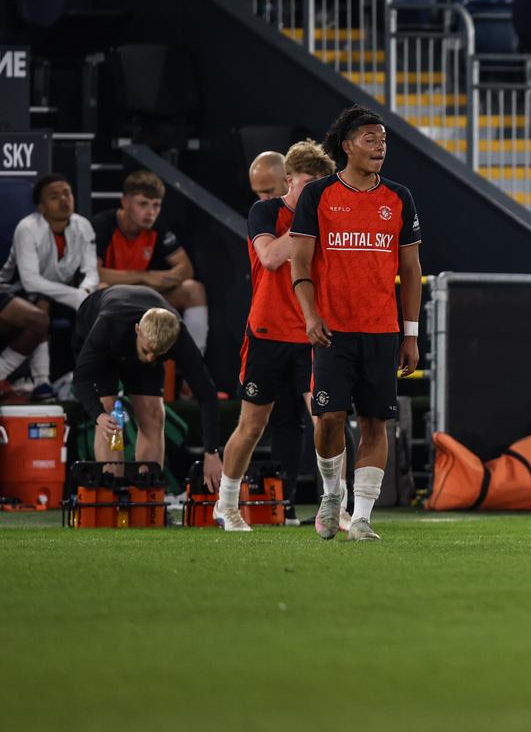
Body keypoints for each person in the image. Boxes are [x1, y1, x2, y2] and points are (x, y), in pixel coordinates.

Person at [290, 105, 423, 543]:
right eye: (370, 138)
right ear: (347, 146)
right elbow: (300, 262)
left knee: (375, 422)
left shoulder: (399, 198)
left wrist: (410, 335)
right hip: (333, 330)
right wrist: (310, 315)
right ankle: (333, 494)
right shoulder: (318, 196)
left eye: (383, 139)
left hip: (382, 331)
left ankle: (362, 517)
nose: (380, 146)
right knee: (329, 419)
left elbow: (411, 270)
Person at [215, 140, 337, 532]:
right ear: (290, 181)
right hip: (266, 332)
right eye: (308, 185)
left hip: (312, 333)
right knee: (252, 425)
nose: (315, 192)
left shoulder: (329, 217)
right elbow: (269, 258)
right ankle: (226, 505)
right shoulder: (265, 212)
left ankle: (337, 505)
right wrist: (308, 220)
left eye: (320, 185)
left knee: (327, 420)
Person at [71, 284, 222, 491]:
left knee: (153, 414)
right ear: (138, 330)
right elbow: (81, 379)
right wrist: (98, 415)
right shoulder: (107, 326)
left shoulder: (179, 338)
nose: (151, 358)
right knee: (108, 412)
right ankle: (111, 489)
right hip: (103, 336)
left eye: (158, 354)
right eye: (148, 351)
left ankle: (146, 492)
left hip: (136, 341)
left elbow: (207, 395)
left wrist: (212, 452)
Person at [0, 172, 100, 397]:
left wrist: (86, 290)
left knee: (100, 301)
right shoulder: (27, 228)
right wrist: (75, 296)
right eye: (54, 196)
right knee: (39, 313)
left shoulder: (83, 225)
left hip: (53, 292)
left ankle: (48, 384)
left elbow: (91, 271)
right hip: (11, 289)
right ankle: (34, 379)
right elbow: (30, 281)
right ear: (41, 207)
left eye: (67, 194)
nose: (64, 200)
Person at [92, 171, 209, 358]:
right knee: (99, 289)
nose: (150, 212)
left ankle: (194, 362)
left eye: (156, 205)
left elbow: (186, 269)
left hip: (144, 297)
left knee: (193, 290)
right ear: (125, 202)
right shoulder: (102, 224)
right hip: (113, 298)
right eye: (143, 204)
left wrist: (156, 282)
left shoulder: (156, 225)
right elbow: (94, 274)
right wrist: (145, 277)